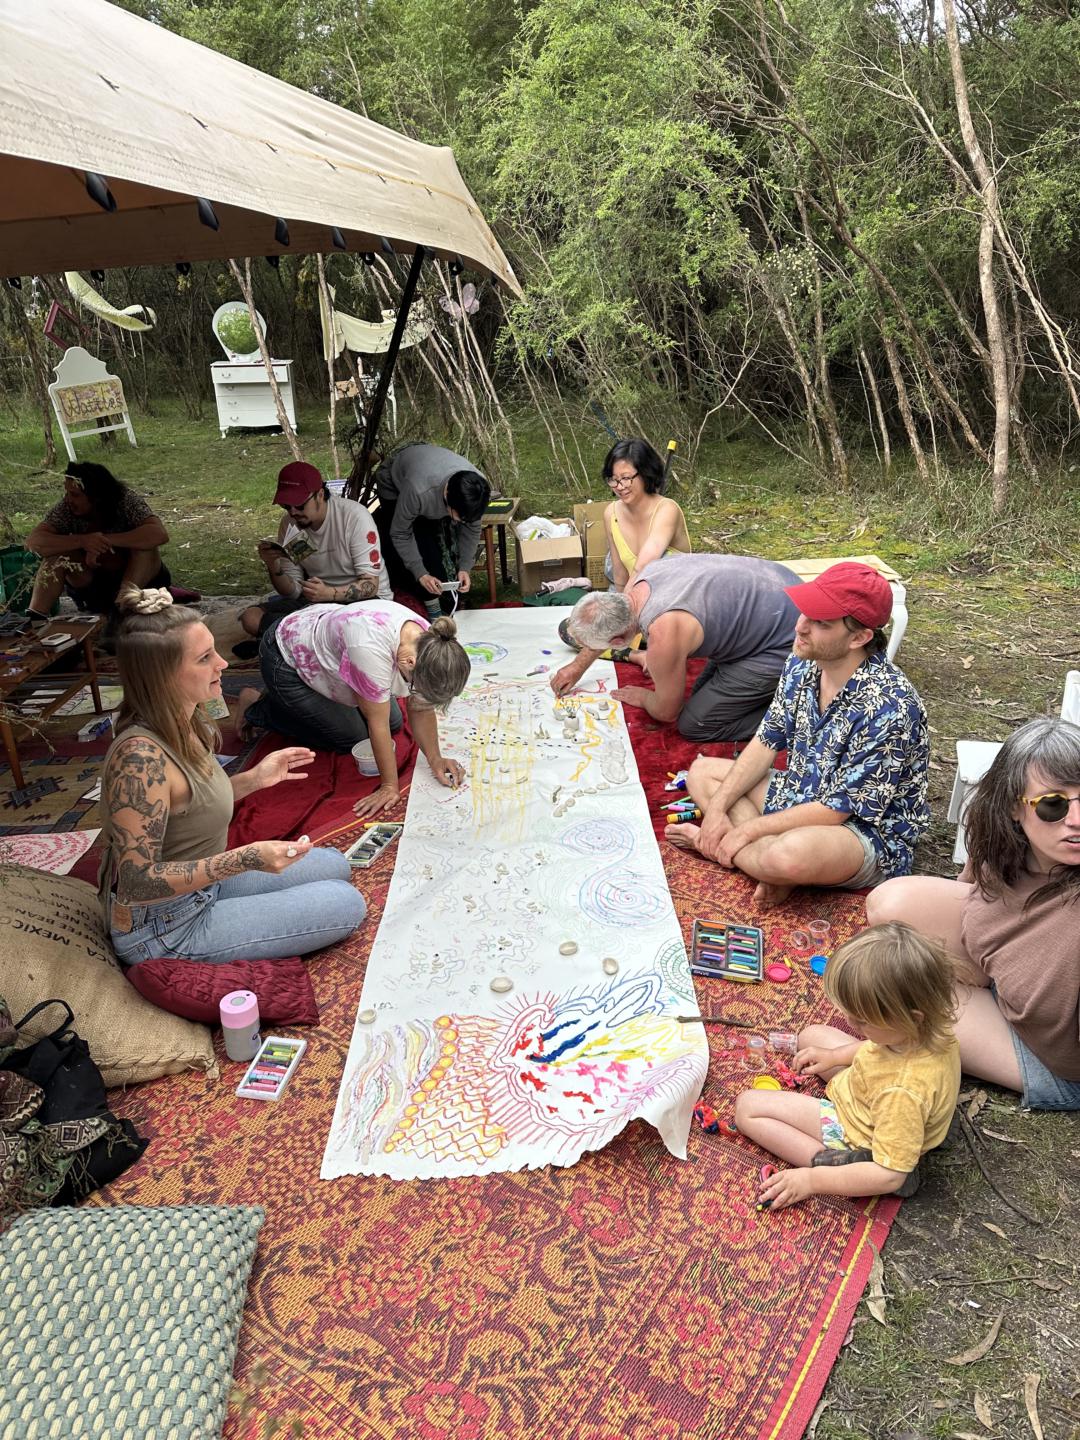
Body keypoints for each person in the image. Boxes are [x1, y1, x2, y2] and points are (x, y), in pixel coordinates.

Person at [98, 586, 366, 966]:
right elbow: (138, 881)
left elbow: (189, 803)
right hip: (164, 926)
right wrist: (244, 859)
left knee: (335, 864)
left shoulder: (187, 719)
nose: (223, 663)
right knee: (345, 903)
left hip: (203, 887)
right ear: (163, 676)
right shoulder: (139, 760)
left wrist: (255, 779)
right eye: (205, 658)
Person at [668, 561, 927, 908]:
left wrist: (745, 830)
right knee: (702, 773)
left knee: (788, 855)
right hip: (803, 794)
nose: (800, 627)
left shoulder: (891, 706)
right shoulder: (802, 662)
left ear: (859, 638)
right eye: (805, 613)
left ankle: (735, 854)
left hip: (863, 832)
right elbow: (765, 741)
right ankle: (764, 867)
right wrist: (715, 812)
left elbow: (837, 810)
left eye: (821, 623)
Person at [867, 716, 1080, 1110]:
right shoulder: (1002, 845)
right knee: (889, 904)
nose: (1077, 820)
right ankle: (990, 982)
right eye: (1054, 804)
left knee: (894, 998)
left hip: (1052, 1056)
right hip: (1014, 981)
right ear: (1014, 807)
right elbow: (973, 899)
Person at [735, 922, 960, 1210]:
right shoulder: (925, 1030)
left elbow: (891, 1175)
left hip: (860, 1130)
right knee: (811, 1036)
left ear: (911, 1018)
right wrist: (835, 1056)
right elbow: (878, 1050)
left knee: (748, 1108)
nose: (850, 1023)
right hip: (874, 1093)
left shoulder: (902, 1094)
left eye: (862, 1020)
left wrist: (812, 1181)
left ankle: (835, 1163)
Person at [236, 601, 470, 819]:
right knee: (353, 736)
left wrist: (435, 758)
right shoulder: (370, 649)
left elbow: (420, 708)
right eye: (415, 687)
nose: (413, 692)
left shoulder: (431, 643)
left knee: (394, 723)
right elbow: (376, 724)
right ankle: (261, 707)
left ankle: (292, 701)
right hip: (286, 658)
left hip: (330, 647)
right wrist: (389, 786)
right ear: (410, 664)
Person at [551, 554, 799, 741]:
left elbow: (667, 712)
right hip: (784, 588)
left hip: (792, 639)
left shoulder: (663, 634)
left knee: (695, 724)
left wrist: (646, 698)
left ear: (617, 642)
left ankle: (799, 717)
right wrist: (578, 666)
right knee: (701, 695)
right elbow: (611, 624)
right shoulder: (642, 578)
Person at [234, 461, 391, 656]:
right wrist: (274, 566)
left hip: (364, 602)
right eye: (286, 506)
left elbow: (370, 585)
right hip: (317, 603)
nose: (293, 512)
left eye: (299, 505)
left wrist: (329, 594)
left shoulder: (354, 517)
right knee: (251, 617)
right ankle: (301, 640)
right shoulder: (291, 524)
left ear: (320, 495)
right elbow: (293, 591)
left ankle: (286, 640)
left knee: (353, 630)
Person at [26, 462, 171, 623]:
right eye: (67, 493)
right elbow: (34, 543)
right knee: (57, 558)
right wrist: (83, 541)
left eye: (75, 495)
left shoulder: (125, 499)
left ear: (96, 497)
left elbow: (159, 534)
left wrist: (103, 541)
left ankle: (121, 609)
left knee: (145, 548)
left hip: (138, 586)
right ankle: (34, 619)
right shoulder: (66, 509)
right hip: (94, 587)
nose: (68, 499)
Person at [374, 443, 491, 619]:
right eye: (460, 517)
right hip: (393, 482)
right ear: (448, 498)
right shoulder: (418, 491)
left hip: (429, 476)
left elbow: (472, 528)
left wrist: (465, 567)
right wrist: (421, 573)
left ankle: (442, 597)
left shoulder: (477, 490)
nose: (462, 522)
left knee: (436, 544)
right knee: (418, 542)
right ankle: (424, 603)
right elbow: (400, 533)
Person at [601, 438, 691, 590]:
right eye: (613, 480)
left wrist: (626, 602)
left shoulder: (667, 509)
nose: (620, 487)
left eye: (626, 478)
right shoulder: (611, 514)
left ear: (645, 473)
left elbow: (642, 568)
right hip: (636, 596)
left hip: (676, 597)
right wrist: (620, 600)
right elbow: (620, 575)